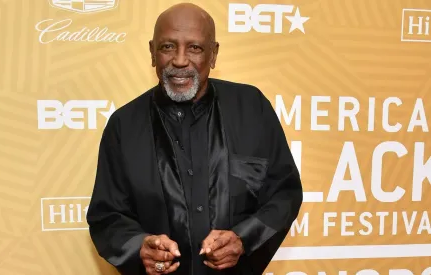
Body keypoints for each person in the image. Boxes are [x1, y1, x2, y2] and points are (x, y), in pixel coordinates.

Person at [86, 3, 303, 275]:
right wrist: (138, 246)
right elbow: (107, 216)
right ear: (152, 52)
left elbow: (285, 193)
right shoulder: (123, 126)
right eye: (167, 47)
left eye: (195, 48)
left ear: (213, 54)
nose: (179, 60)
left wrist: (244, 239)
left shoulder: (252, 108)